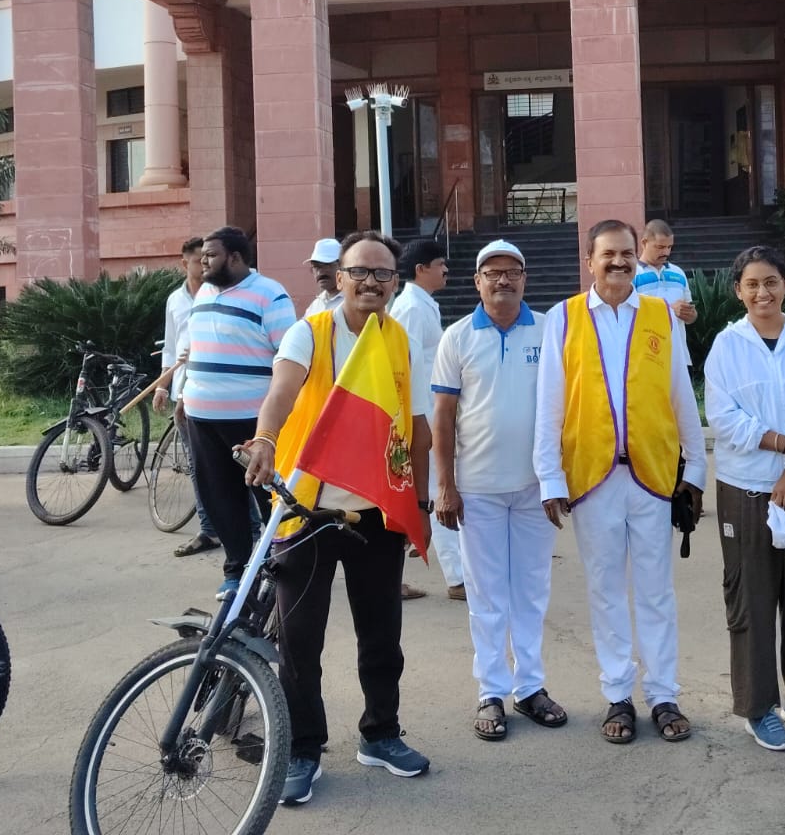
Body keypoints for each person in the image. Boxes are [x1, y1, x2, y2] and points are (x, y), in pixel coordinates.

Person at [241, 230, 434, 805]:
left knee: (382, 635)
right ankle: (303, 749)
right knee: (300, 642)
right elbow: (281, 390)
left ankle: (381, 734)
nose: (371, 282)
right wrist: (265, 439)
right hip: (307, 510)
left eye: (383, 273)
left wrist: (421, 500)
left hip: (374, 513)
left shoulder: (401, 341)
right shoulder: (312, 331)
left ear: (395, 282)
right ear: (339, 277)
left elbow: (418, 425)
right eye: (361, 272)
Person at [534, 219, 706, 745]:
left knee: (657, 591)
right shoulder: (564, 318)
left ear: (639, 258)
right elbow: (550, 402)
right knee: (606, 590)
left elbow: (682, 394)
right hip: (592, 475)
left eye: (627, 253)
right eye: (608, 254)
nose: (619, 262)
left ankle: (662, 694)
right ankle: (617, 695)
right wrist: (549, 476)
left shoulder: (661, 315)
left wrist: (696, 469)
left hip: (652, 475)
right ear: (589, 261)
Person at [432, 239, 568, 741]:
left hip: (536, 487)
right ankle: (490, 690)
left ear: (524, 279)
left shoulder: (550, 330)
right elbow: (443, 418)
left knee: (530, 591)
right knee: (487, 595)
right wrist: (445, 485)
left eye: (512, 272)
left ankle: (530, 687)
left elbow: (567, 405)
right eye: (493, 273)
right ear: (477, 282)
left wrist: (560, 479)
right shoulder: (459, 337)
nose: (503, 280)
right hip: (478, 489)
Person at [704, 245, 785, 752]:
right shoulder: (727, 346)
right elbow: (724, 418)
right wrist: (781, 445)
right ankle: (759, 708)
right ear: (738, 291)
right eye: (752, 284)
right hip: (746, 490)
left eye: (772, 282)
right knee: (752, 599)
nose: (763, 292)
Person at [177, 226, 295, 600]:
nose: (203, 261)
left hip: (251, 422)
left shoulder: (270, 296)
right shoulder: (203, 293)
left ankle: (281, 568)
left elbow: (287, 360)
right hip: (202, 419)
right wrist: (183, 393)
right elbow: (197, 348)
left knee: (267, 498)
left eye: (210, 255)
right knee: (219, 497)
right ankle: (236, 570)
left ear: (237, 257)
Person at [392, 237, 459, 601]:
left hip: (431, 410)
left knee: (434, 490)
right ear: (421, 269)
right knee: (436, 491)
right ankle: (457, 577)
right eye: (439, 263)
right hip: (420, 415)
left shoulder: (423, 306)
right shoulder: (411, 310)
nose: (446, 269)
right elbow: (406, 367)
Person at [156, 236, 219, 558]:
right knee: (197, 466)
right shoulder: (175, 300)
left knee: (235, 465)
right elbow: (171, 346)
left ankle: (260, 530)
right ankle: (209, 530)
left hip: (214, 394)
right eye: (200, 259)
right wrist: (163, 386)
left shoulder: (220, 294)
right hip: (182, 391)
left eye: (210, 258)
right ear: (185, 263)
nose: (206, 264)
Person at [635, 219, 697, 355]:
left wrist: (690, 315)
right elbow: (629, 316)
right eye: (660, 247)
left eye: (669, 247)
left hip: (680, 355)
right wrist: (668, 311)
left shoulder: (678, 273)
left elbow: (691, 317)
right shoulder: (632, 274)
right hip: (647, 356)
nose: (666, 253)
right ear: (644, 243)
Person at [303, 237, 343, 317]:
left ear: (341, 266)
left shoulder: (353, 302)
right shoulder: (315, 306)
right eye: (316, 267)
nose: (320, 272)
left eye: (327, 265)